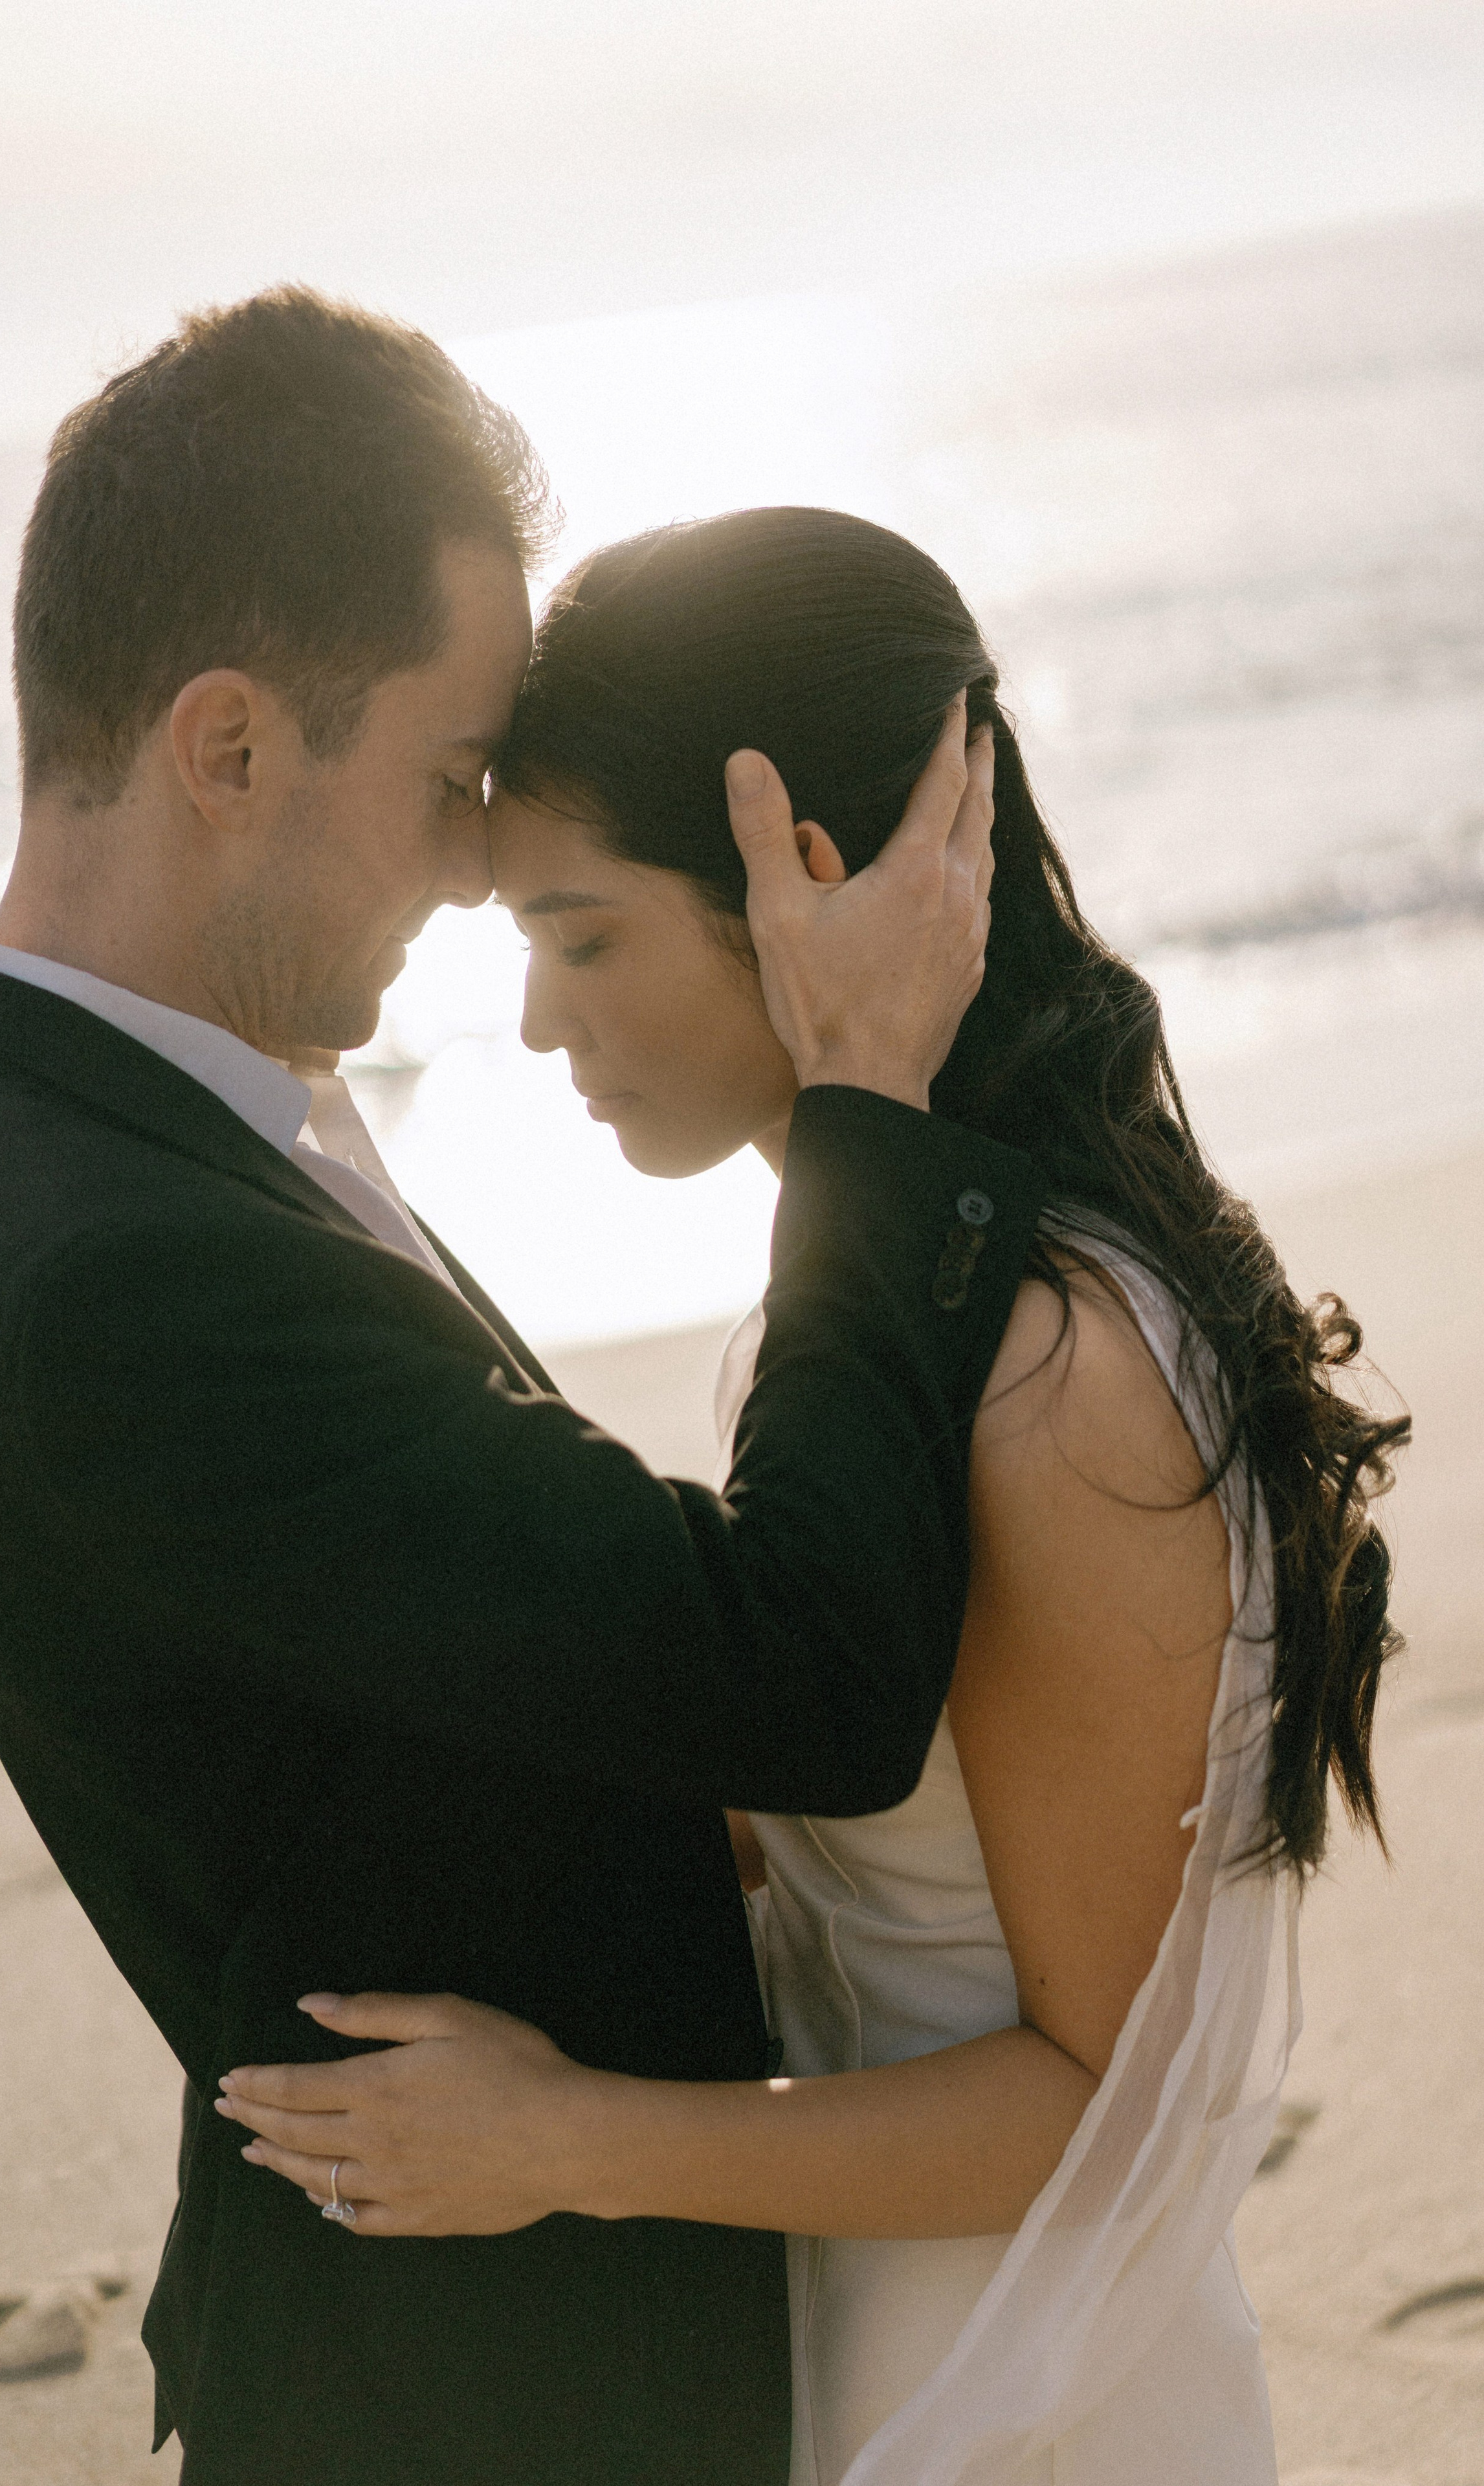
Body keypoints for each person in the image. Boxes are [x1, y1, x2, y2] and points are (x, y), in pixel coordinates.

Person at [0, 315, 1043, 2485]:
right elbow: (805, 1674)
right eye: (450, 777)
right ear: (229, 748)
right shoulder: (105, 1268)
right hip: (495, 2399)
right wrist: (865, 1109)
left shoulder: (141, 1112)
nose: (486, 863)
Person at [219, 508, 1408, 2485]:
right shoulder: (871, 1301)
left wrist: (569, 2139)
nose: (541, 1023)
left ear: (810, 891)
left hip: (1029, 2387)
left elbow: (1104, 2096)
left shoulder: (1050, 1379)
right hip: (855, 2316)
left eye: (585, 936)